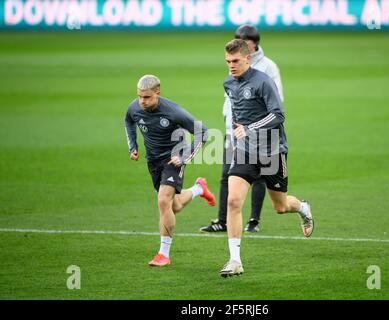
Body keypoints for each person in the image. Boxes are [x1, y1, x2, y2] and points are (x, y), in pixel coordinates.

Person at [219, 40, 314, 278]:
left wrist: (249, 128)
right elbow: (238, 114)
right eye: (228, 61)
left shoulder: (263, 81)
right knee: (233, 202)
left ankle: (302, 207)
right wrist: (237, 132)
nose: (231, 66)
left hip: (272, 151)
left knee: (281, 207)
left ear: (247, 59)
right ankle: (234, 260)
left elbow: (278, 115)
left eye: (236, 61)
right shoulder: (228, 83)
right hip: (245, 151)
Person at [124, 75, 216, 267]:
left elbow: (203, 132)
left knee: (163, 201)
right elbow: (128, 121)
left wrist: (184, 157)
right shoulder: (134, 107)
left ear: (157, 93)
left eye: (147, 97)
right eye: (140, 96)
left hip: (174, 159)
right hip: (153, 162)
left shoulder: (173, 112)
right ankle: (199, 189)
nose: (142, 101)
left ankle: (163, 254)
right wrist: (133, 146)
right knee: (173, 206)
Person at [200, 24, 284, 234]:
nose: (240, 47)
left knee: (266, 185)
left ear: (254, 46)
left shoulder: (267, 67)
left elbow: (277, 105)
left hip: (265, 137)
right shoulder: (232, 69)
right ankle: (223, 221)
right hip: (236, 132)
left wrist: (253, 127)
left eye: (246, 44)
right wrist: (232, 123)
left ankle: (254, 219)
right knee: (228, 174)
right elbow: (232, 100)